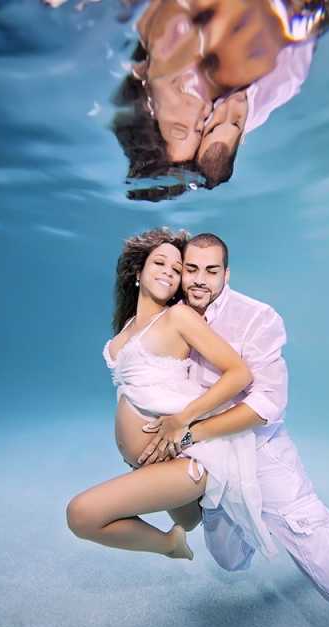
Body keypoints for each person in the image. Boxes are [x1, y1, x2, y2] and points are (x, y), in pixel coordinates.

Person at [137, 231, 329, 627]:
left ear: (227, 274)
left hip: (261, 452)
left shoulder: (256, 317)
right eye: (190, 269)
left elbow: (267, 405)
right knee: (229, 560)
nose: (199, 280)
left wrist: (190, 432)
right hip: (209, 462)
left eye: (211, 271)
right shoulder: (172, 315)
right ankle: (254, 524)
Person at [66, 227, 279, 564]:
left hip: (189, 460)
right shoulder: (127, 326)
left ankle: (170, 545)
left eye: (177, 268)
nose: (169, 271)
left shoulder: (178, 317)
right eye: (160, 262)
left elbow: (240, 373)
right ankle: (192, 520)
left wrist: (182, 419)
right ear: (138, 272)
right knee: (189, 520)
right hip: (151, 461)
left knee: (80, 514)